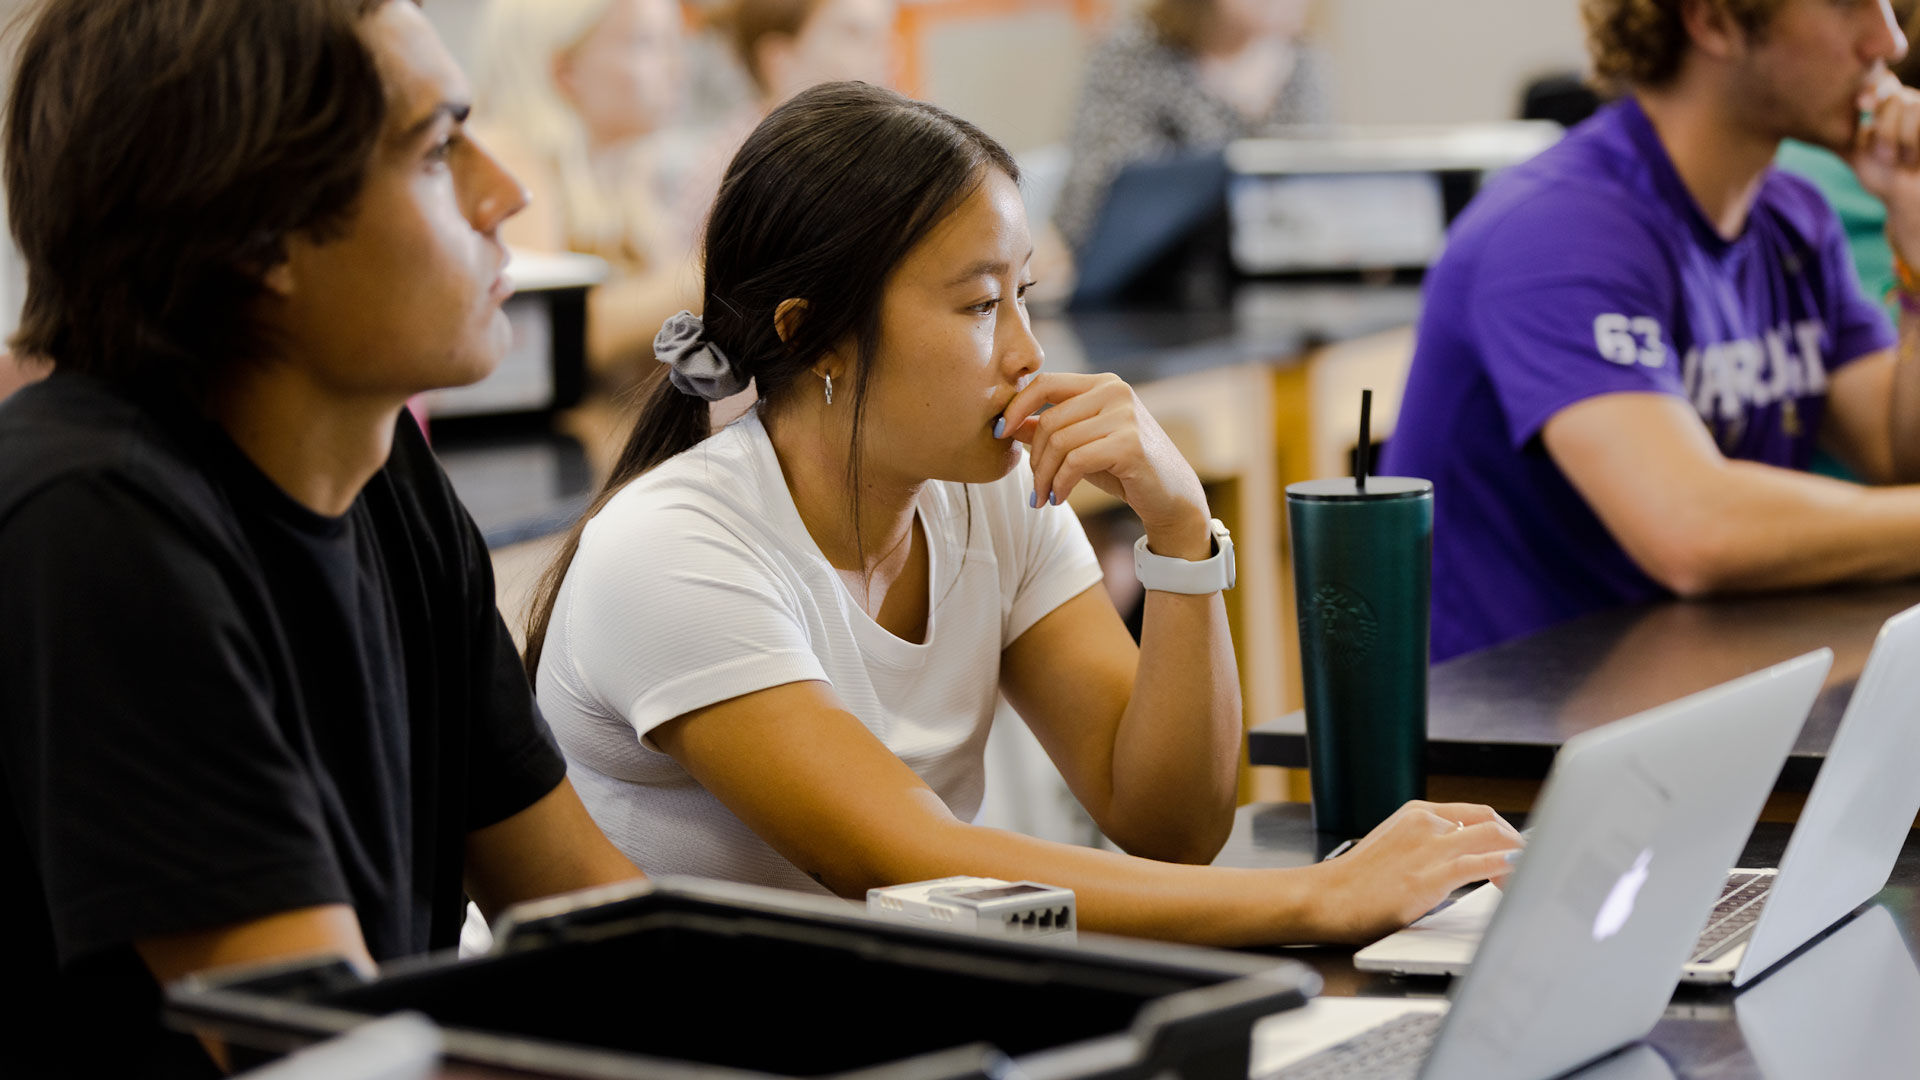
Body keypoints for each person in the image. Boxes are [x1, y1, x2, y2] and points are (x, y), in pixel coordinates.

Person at [524, 81, 1521, 949]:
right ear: (813, 336)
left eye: (1025, 296)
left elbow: (1167, 821)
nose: (1027, 354)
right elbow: (910, 860)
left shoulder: (990, 496)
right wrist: (1318, 897)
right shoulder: (673, 550)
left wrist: (1180, 536)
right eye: (976, 306)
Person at [0, 2, 642, 1075]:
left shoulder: (389, 475)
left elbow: (585, 911)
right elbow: (328, 1058)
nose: (508, 194)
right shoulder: (91, 521)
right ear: (260, 232)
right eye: (439, 151)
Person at [1381, 0, 1920, 662]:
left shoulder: (1791, 216)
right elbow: (1696, 531)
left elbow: (1899, 455)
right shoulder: (1559, 231)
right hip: (1515, 745)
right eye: (1847, 6)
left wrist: (1917, 243)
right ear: (1715, 21)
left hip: (1690, 695)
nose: (1888, 41)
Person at [474, 0, 696, 376]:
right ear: (565, 70)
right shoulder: (513, 162)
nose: (678, 68)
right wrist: (718, 271)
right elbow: (546, 332)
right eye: (645, 43)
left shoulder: (624, 175)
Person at [1052, 0, 1329, 255]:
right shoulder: (1134, 57)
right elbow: (1090, 209)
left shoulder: (1301, 65)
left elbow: (1316, 205)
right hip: (1150, 280)